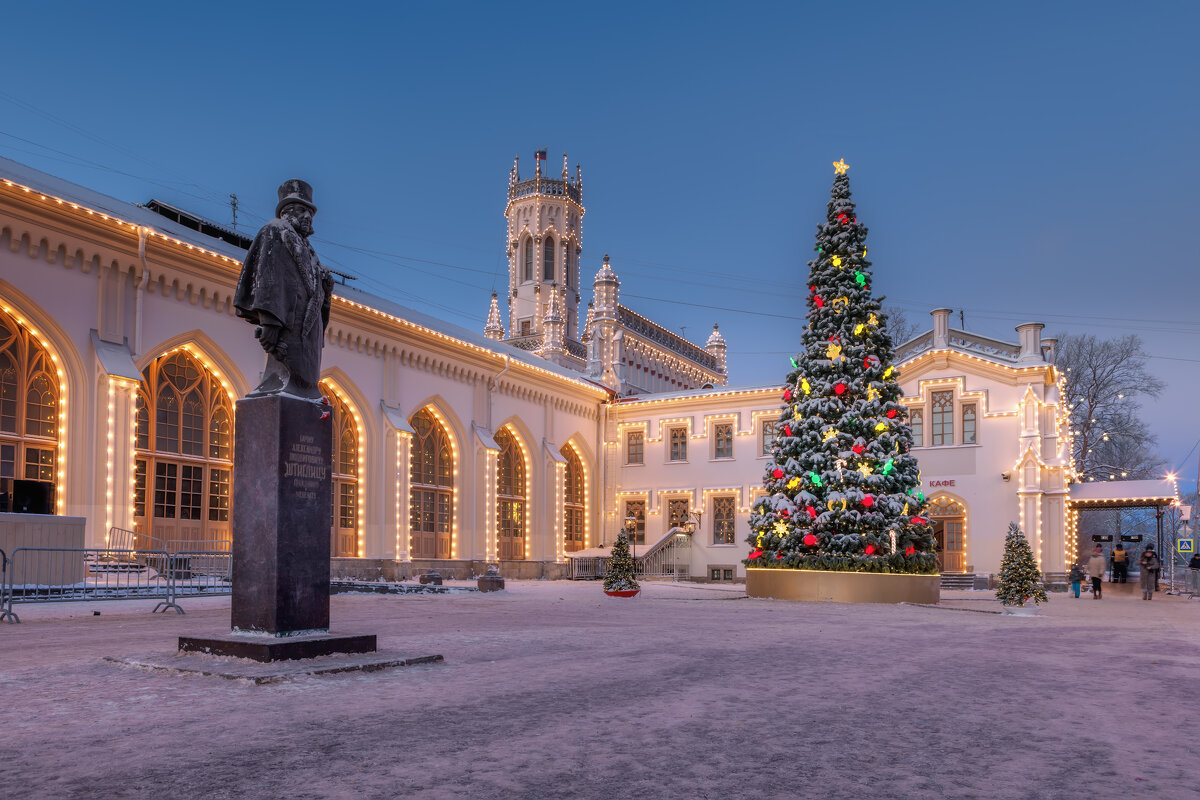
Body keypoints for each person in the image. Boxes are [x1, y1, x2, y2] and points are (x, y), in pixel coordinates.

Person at [234, 179, 334, 400]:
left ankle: (305, 394)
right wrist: (270, 321)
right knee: (285, 379)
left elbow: (314, 297)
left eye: (310, 212)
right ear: (287, 212)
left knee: (304, 386)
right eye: (302, 210)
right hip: (286, 323)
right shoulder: (275, 231)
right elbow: (269, 276)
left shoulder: (309, 250)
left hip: (306, 334)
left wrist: (325, 290)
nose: (307, 216)